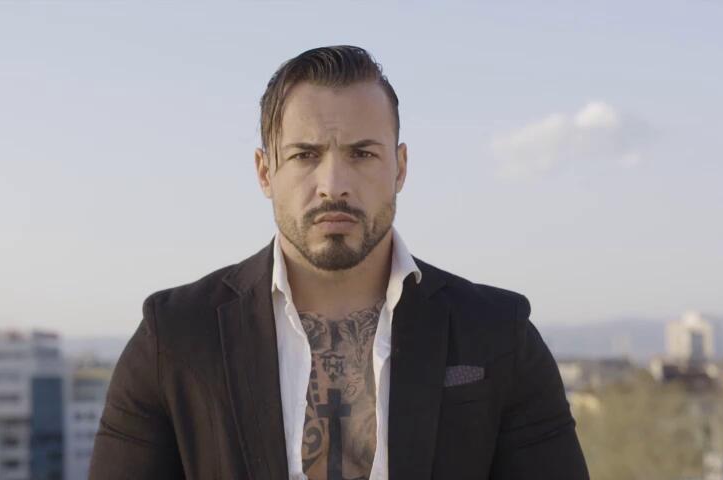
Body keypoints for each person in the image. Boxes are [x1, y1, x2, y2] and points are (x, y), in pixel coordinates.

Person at [88, 45, 590, 480]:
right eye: (305, 155)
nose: (333, 185)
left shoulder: (498, 334)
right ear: (265, 171)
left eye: (362, 154)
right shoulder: (174, 338)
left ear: (400, 168)